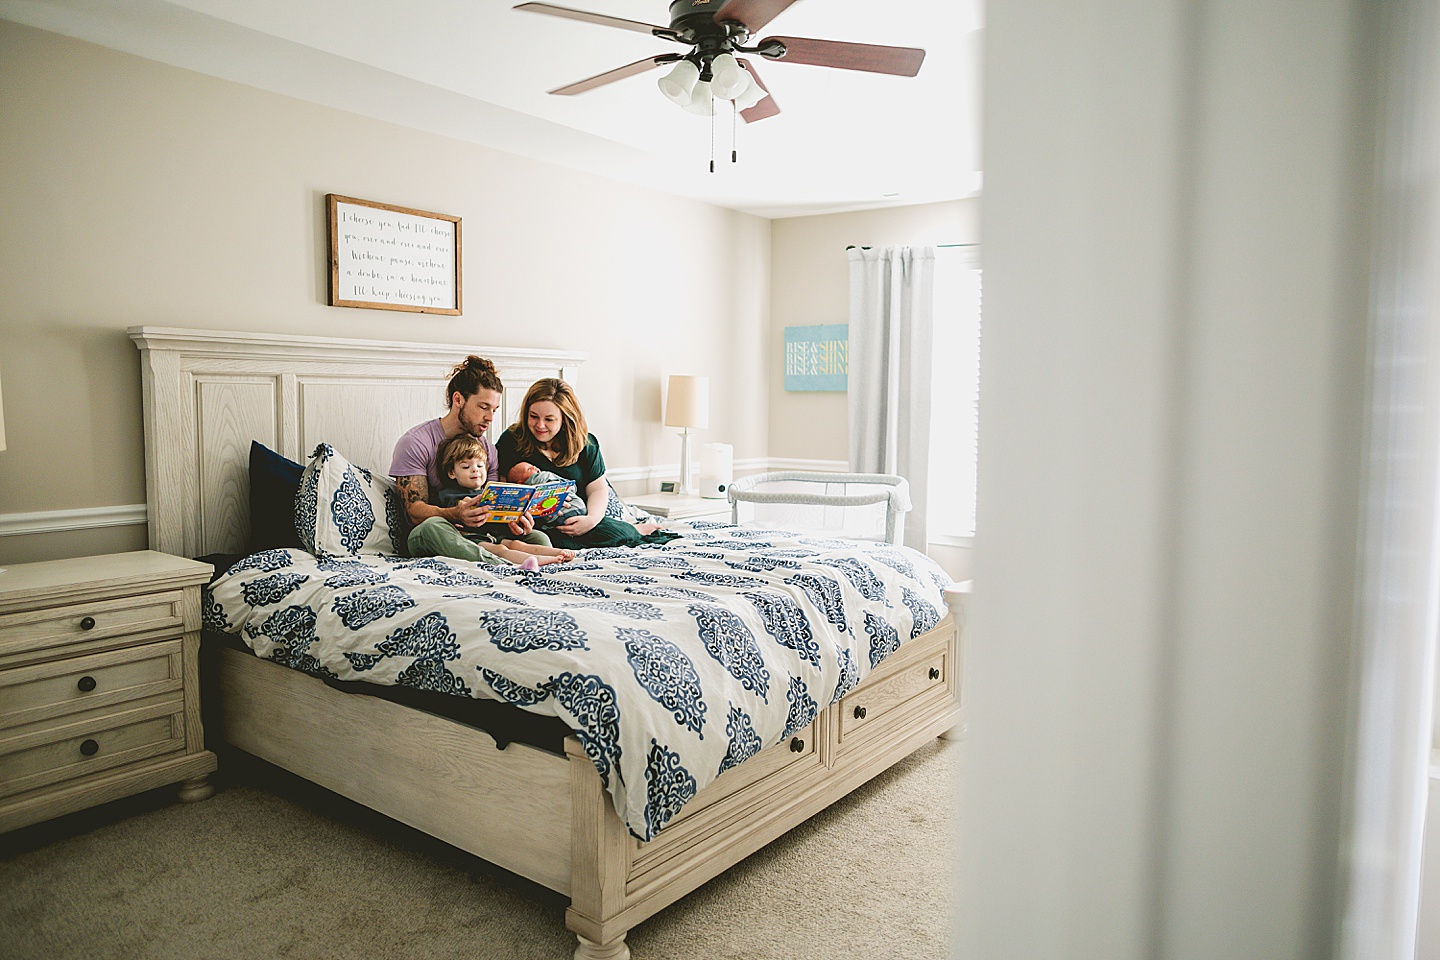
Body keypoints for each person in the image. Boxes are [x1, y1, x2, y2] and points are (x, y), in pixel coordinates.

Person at [390, 356, 551, 560]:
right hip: (434, 535)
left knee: (538, 538)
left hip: (481, 534)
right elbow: (415, 512)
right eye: (483, 407)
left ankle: (534, 562)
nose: (490, 418)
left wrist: (513, 520)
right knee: (432, 527)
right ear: (458, 400)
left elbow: (492, 504)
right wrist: (454, 513)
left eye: (494, 410)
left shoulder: (487, 450)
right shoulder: (416, 442)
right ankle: (498, 562)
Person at [496, 378, 680, 551]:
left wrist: (591, 520)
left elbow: (598, 489)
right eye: (533, 416)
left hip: (581, 517)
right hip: (538, 525)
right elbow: (500, 488)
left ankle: (635, 530)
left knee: (612, 532)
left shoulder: (586, 444)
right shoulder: (512, 440)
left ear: (565, 418)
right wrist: (517, 519)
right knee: (549, 543)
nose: (539, 425)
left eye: (549, 419)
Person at [431, 435, 576, 568]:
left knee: (516, 544)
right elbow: (443, 521)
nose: (475, 470)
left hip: (496, 535)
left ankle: (556, 552)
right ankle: (537, 560)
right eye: (466, 467)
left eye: (480, 466)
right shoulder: (446, 495)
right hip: (473, 540)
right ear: (452, 472)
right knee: (500, 549)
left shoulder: (491, 492)